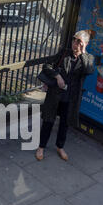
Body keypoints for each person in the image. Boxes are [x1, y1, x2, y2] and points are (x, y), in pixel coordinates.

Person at [36, 30, 95, 161]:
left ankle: (60, 146)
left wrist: (83, 52)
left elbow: (89, 70)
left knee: (64, 123)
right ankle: (41, 147)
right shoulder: (64, 53)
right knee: (48, 121)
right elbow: (47, 66)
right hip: (56, 95)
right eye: (74, 40)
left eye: (79, 42)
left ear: (85, 44)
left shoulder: (88, 58)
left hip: (71, 98)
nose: (75, 44)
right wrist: (57, 76)